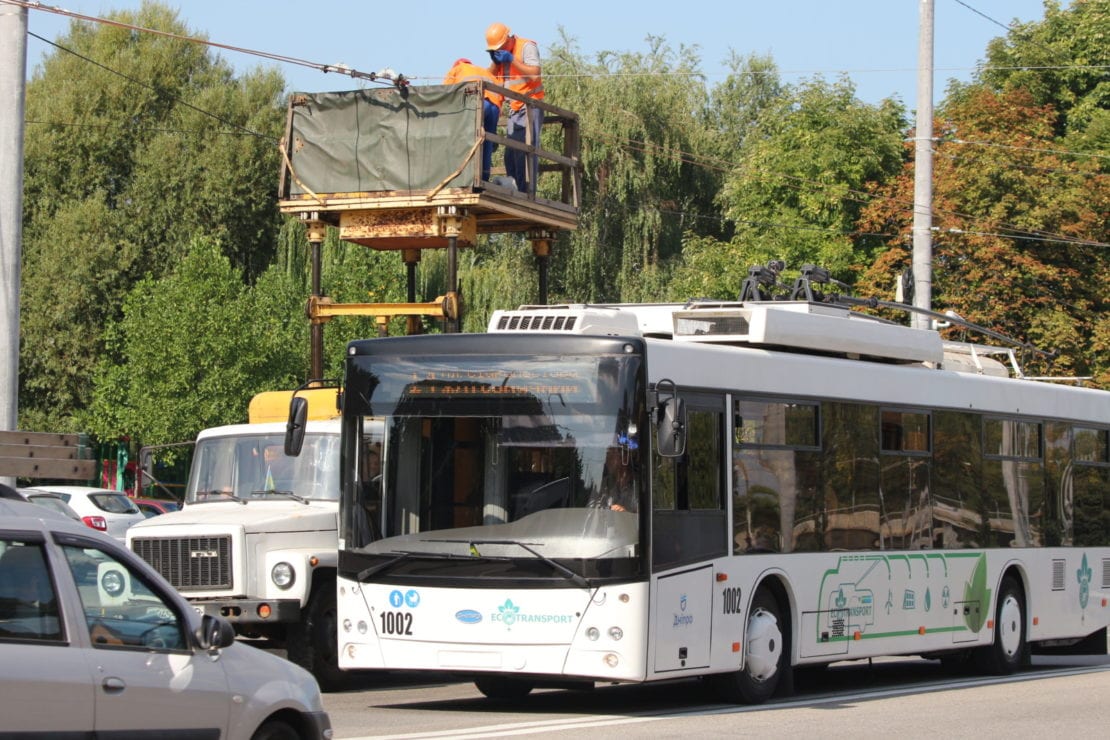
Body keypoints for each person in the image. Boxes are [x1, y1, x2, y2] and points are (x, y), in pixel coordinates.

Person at [484, 22, 544, 193]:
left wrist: (512, 60)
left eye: (500, 47)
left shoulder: (526, 47)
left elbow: (534, 74)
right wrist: (495, 62)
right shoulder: (502, 56)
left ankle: (526, 192)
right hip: (514, 108)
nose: (499, 51)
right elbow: (490, 77)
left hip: (530, 106)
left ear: (509, 39)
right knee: (510, 155)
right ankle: (515, 190)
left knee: (525, 151)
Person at [443, 58, 504, 183]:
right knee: (487, 142)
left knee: (467, 138)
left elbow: (444, 94)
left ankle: (467, 177)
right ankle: (484, 178)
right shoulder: (483, 71)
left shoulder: (456, 69)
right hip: (495, 107)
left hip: (479, 102)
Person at [591, 447, 637, 513]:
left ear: (625, 457)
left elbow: (645, 515)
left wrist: (625, 513)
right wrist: (606, 509)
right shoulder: (602, 484)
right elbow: (590, 510)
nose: (607, 460)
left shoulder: (638, 485)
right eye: (607, 456)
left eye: (611, 456)